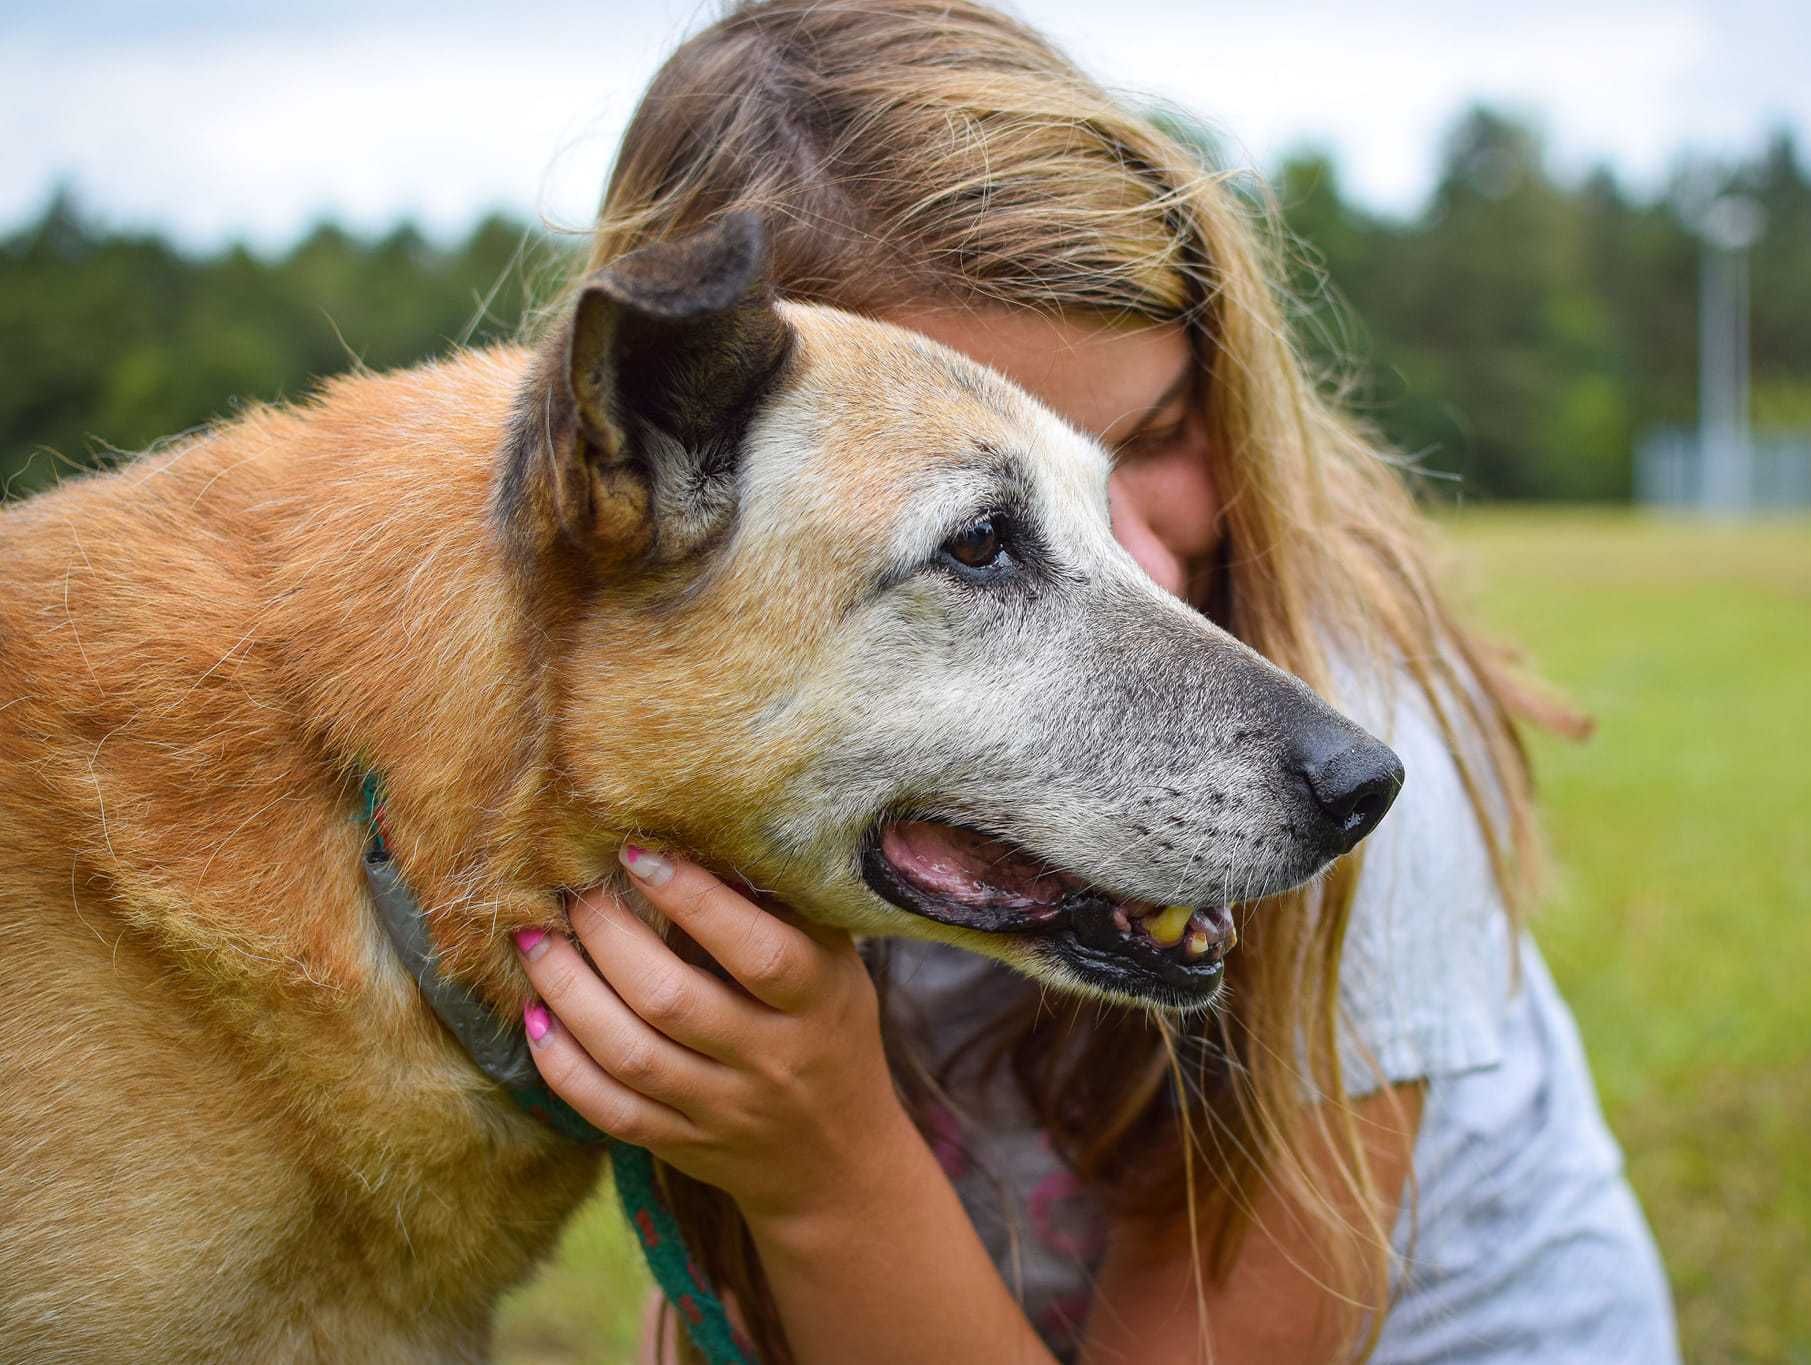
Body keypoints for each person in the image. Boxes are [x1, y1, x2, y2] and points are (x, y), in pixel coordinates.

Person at [511, 2, 1680, 1360]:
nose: (1154, 578)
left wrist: (823, 1159)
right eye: (993, 534)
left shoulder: (1347, 740)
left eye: (1164, 434)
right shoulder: (739, 709)